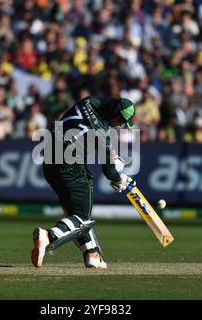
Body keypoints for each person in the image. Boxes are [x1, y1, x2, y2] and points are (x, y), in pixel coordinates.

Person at [31, 96, 137, 269]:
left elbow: (95, 128)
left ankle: (92, 254)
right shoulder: (103, 132)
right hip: (69, 169)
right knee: (81, 217)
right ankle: (48, 236)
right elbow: (109, 171)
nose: (119, 125)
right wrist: (120, 178)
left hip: (49, 162)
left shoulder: (89, 101)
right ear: (115, 115)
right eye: (121, 121)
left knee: (74, 213)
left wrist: (113, 154)